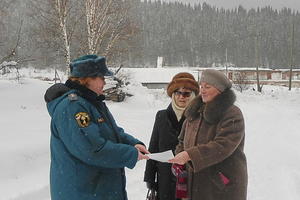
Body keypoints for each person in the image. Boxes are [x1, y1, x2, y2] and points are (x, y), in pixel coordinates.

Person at [45, 55, 149, 200]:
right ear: (87, 79)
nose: (105, 82)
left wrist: (133, 143)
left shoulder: (92, 101)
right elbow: (92, 149)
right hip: (83, 192)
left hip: (98, 189)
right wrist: (130, 154)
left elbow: (112, 133)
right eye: (102, 77)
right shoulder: (73, 107)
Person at [169, 69, 248, 200]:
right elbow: (182, 140)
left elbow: (223, 146)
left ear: (220, 89)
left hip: (220, 184)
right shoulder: (195, 110)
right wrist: (179, 157)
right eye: (201, 86)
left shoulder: (232, 113)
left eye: (208, 87)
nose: (202, 90)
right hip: (195, 182)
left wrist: (189, 155)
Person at [144, 72, 199, 200]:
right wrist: (150, 178)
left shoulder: (199, 117)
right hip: (165, 179)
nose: (181, 97)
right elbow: (153, 148)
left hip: (191, 178)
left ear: (193, 95)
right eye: (177, 93)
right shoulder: (161, 116)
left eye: (186, 93)